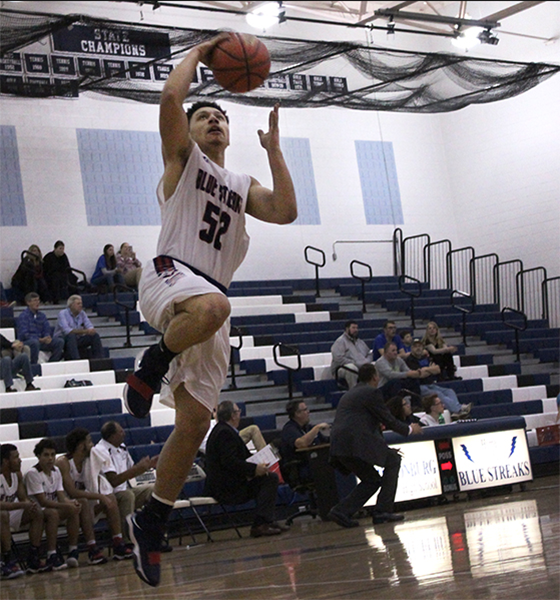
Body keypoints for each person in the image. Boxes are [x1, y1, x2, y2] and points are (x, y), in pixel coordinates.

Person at [122, 33, 297, 587]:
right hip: (172, 274)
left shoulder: (242, 184)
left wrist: (273, 150)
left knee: (195, 422)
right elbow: (170, 104)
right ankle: (148, 369)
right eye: (206, 117)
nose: (214, 121)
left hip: (206, 306)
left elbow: (287, 212)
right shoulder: (184, 160)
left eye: (220, 116)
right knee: (217, 304)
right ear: (193, 132)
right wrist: (198, 55)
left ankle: (151, 520)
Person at [328, 364, 422, 528]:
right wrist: (409, 429)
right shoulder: (371, 392)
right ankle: (382, 511)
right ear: (374, 377)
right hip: (354, 442)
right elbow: (387, 419)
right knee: (393, 460)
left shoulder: (351, 393)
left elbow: (366, 422)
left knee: (371, 480)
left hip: (339, 443)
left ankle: (341, 511)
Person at [204, 401, 287, 538]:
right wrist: (254, 469)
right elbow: (229, 461)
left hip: (228, 483)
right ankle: (260, 524)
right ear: (233, 415)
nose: (240, 415)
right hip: (226, 488)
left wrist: (258, 465)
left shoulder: (224, 430)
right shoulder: (225, 433)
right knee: (269, 479)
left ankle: (266, 521)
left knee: (267, 478)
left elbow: (239, 459)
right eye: (238, 412)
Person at [56, 428, 133, 562]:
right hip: (64, 504)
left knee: (110, 497)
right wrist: (99, 496)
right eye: (89, 441)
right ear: (81, 446)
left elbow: (100, 484)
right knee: (84, 501)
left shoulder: (89, 460)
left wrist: (103, 496)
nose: (92, 445)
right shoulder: (63, 462)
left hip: (84, 503)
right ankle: (92, 548)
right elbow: (72, 492)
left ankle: (118, 542)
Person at [92, 421, 156, 542]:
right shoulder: (100, 450)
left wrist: (147, 465)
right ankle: (128, 540)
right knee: (127, 495)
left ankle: (153, 534)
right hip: (108, 496)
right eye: (120, 431)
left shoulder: (122, 447)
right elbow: (113, 481)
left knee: (153, 491)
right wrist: (137, 469)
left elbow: (131, 471)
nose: (124, 433)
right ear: (112, 436)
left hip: (125, 490)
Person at [24, 438, 82, 570]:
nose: (50, 458)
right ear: (38, 456)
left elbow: (61, 497)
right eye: (46, 455)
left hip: (51, 509)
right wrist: (66, 505)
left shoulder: (56, 471)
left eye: (52, 455)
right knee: (53, 513)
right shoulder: (33, 473)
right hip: (36, 512)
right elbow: (43, 501)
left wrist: (71, 503)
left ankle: (73, 550)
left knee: (74, 508)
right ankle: (51, 554)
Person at [0, 443, 47, 577]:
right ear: (5, 461)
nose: (20, 460)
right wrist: (22, 505)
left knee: (36, 511)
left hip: (10, 512)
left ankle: (33, 556)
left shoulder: (17, 474)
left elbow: (22, 498)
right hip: (3, 513)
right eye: (16, 457)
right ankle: (7, 560)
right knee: (2, 514)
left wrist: (28, 503)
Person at [405, 338, 471, 419]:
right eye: (415, 346)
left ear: (423, 348)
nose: (418, 348)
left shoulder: (425, 358)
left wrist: (426, 370)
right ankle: (458, 410)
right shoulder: (409, 360)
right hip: (419, 387)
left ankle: (456, 410)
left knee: (449, 391)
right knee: (438, 394)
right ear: (411, 348)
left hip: (430, 384)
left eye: (420, 346)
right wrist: (430, 369)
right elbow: (420, 375)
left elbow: (438, 369)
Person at [279, 399, 330, 483]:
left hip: (315, 462)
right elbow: (301, 444)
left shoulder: (308, 428)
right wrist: (316, 428)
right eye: (305, 410)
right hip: (301, 466)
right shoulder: (289, 429)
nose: (308, 412)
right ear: (297, 413)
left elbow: (325, 441)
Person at [16, 292, 64, 364]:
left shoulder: (42, 315)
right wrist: (39, 339)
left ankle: (52, 363)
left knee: (59, 342)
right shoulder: (23, 316)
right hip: (28, 341)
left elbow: (46, 328)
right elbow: (24, 334)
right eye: (35, 300)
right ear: (28, 302)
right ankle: (34, 365)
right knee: (35, 343)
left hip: (41, 340)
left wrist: (47, 336)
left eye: (38, 300)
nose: (37, 303)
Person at [199, 406, 267, 455]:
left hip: (230, 440)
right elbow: (206, 448)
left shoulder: (220, 422)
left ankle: (266, 457)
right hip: (220, 447)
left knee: (253, 429)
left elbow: (234, 433)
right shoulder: (201, 428)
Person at [54, 294, 104, 360]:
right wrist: (85, 331)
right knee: (71, 336)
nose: (81, 305)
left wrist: (91, 331)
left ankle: (99, 359)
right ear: (71, 305)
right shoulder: (63, 313)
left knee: (95, 336)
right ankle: (76, 360)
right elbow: (67, 331)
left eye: (81, 303)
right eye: (78, 304)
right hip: (63, 340)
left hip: (77, 338)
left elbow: (90, 326)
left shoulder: (82, 313)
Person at [330, 320, 373, 389]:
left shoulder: (360, 342)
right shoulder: (340, 341)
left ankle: (371, 391)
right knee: (352, 368)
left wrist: (367, 362)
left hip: (361, 365)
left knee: (373, 367)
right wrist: (355, 363)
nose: (356, 330)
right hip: (342, 368)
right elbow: (338, 358)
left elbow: (369, 353)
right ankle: (354, 391)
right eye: (353, 328)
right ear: (347, 329)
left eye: (356, 328)